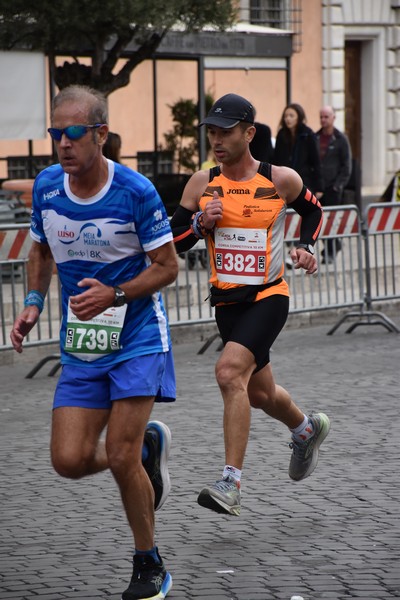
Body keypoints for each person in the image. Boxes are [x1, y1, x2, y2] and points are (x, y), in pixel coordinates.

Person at [10, 84, 178, 600]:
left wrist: (116, 294)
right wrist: (34, 301)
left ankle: (149, 564)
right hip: (82, 344)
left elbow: (167, 267)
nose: (62, 143)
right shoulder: (46, 187)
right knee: (68, 459)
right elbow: (38, 249)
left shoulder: (135, 191)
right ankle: (149, 444)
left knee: (121, 455)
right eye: (55, 133)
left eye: (74, 132)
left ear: (100, 134)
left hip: (137, 336)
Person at [170, 93, 330, 517]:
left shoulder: (280, 179)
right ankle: (305, 429)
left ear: (249, 133)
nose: (217, 140)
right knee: (258, 393)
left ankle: (231, 482)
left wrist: (307, 247)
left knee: (227, 372)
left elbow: (313, 212)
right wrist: (199, 223)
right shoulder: (201, 184)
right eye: (212, 133)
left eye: (226, 132)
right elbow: (174, 243)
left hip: (268, 296)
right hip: (227, 304)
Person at [316, 105, 352, 263]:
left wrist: (338, 186)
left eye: (326, 117)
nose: (323, 120)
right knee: (318, 219)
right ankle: (334, 245)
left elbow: (347, 166)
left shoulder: (341, 139)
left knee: (331, 220)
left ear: (333, 118)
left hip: (333, 188)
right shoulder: (315, 137)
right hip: (318, 188)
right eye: (321, 117)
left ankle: (329, 252)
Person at [273, 103, 323, 197]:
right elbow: (276, 160)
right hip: (284, 183)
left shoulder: (307, 135)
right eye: (286, 116)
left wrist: (319, 187)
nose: (287, 119)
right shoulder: (282, 134)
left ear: (299, 117)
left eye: (291, 116)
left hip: (304, 182)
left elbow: (316, 162)